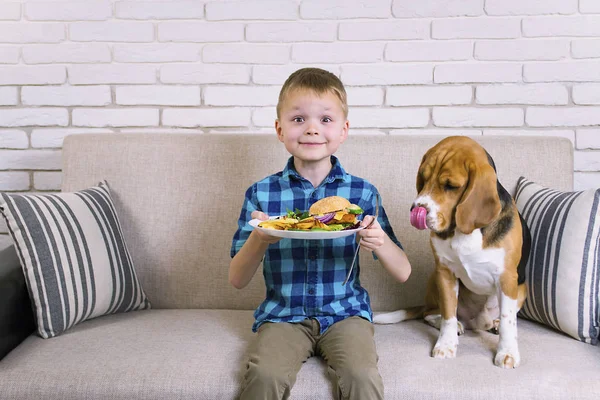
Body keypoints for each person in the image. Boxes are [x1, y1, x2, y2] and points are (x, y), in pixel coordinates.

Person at [229, 67, 412, 400]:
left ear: (343, 131)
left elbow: (403, 272)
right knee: (263, 375)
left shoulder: (362, 194)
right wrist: (260, 236)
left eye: (325, 120)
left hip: (346, 314)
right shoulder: (262, 195)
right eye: (299, 119)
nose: (312, 128)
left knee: (362, 376)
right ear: (279, 128)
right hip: (283, 316)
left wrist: (379, 241)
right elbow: (237, 279)